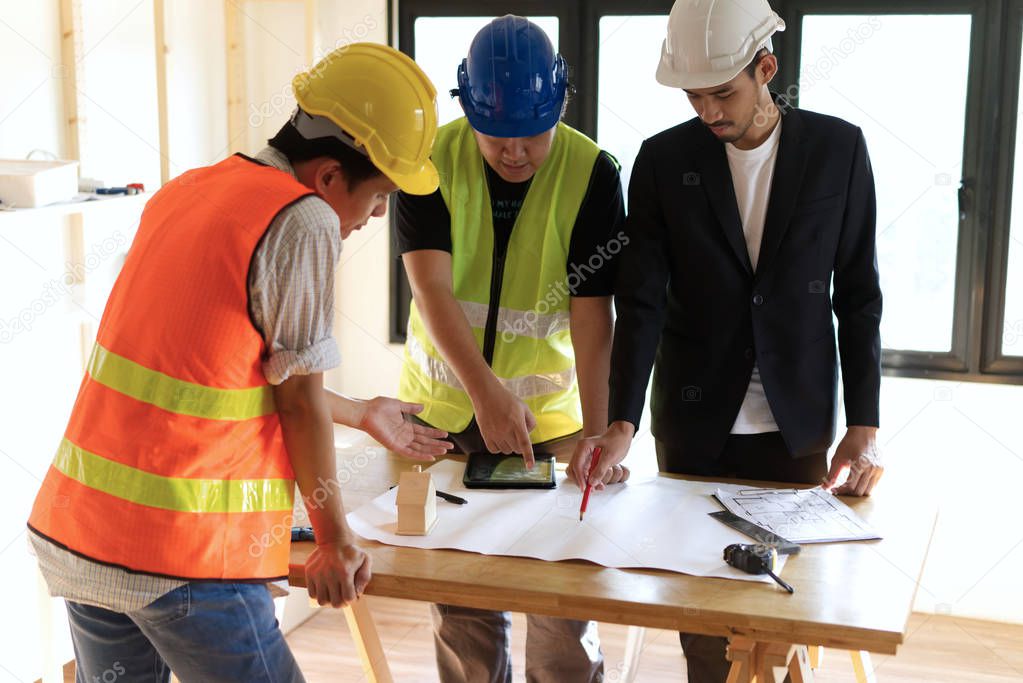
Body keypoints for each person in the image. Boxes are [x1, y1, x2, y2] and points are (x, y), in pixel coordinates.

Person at [27, 43, 451, 683]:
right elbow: (298, 402)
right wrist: (335, 541)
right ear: (331, 177)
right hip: (183, 553)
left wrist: (362, 412)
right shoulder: (303, 219)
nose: (378, 214)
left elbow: (226, 378)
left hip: (84, 533)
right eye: (380, 193)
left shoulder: (194, 187)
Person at [570, 1, 884, 681]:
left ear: (765, 68)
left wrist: (863, 421)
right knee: (704, 615)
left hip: (795, 422)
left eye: (722, 93)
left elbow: (857, 296)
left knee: (784, 605)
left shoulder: (838, 150)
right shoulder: (661, 161)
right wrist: (620, 420)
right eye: (693, 97)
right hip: (691, 423)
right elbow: (641, 300)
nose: (708, 112)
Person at [394, 15, 626, 683]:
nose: (515, 152)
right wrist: (483, 392)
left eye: (532, 133)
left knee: (559, 606)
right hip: (441, 418)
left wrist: (601, 426)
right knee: (462, 605)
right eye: (497, 136)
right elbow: (431, 287)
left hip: (550, 428)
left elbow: (592, 317)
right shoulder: (429, 162)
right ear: (469, 111)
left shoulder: (591, 173)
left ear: (557, 106)